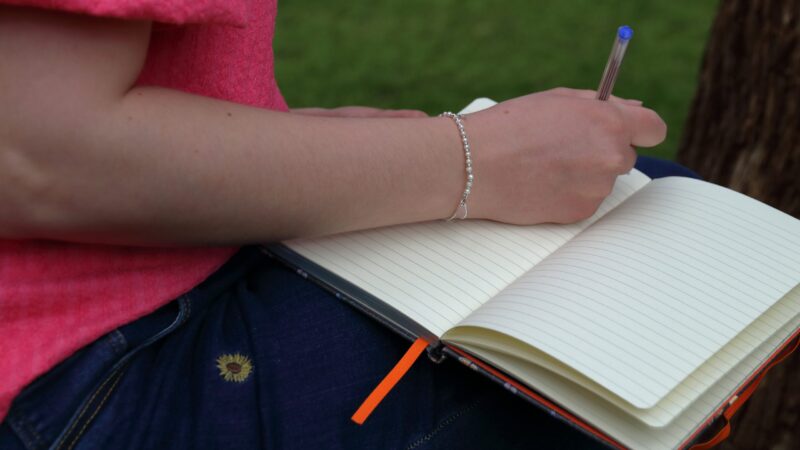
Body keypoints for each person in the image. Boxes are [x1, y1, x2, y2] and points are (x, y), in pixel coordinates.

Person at [0, 1, 697, 449]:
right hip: (78, 381)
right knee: (661, 276)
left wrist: (278, 130)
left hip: (142, 296)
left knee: (656, 204)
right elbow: (34, 155)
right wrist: (473, 159)